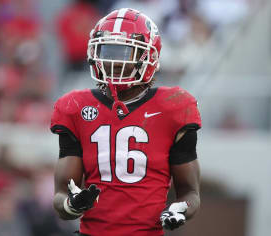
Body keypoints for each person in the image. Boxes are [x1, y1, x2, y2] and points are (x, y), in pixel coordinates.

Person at [50, 8, 201, 236]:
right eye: (107, 51)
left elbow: (190, 193)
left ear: (148, 57)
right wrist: (72, 205)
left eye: (124, 53)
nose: (113, 62)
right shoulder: (75, 108)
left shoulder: (174, 106)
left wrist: (180, 209)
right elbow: (61, 195)